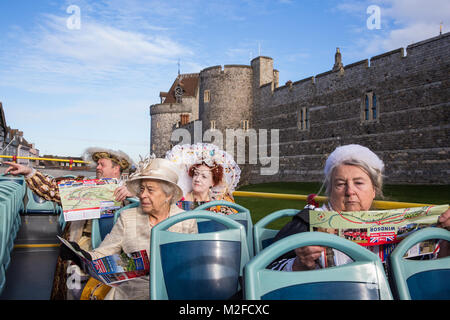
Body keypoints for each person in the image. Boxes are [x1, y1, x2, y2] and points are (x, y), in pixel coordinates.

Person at [269, 144, 450, 271]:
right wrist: (300, 264)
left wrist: (446, 241)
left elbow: (427, 274)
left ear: (374, 190)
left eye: (359, 183)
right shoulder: (306, 223)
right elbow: (262, 273)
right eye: (340, 184)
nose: (350, 191)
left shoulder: (395, 225)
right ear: (330, 191)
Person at [4, 147, 135, 299]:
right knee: (75, 289)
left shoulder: (132, 191)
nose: (97, 167)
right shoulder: (85, 186)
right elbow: (53, 189)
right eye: (97, 164)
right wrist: (29, 172)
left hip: (116, 252)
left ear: (116, 168)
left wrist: (134, 192)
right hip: (83, 243)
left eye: (102, 164)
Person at [62, 156, 198, 300]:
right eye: (141, 189)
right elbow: (105, 252)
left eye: (150, 190)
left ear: (168, 195)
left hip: (175, 287)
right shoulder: (127, 217)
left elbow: (193, 265)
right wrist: (82, 256)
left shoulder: (186, 221)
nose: (142, 195)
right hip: (134, 289)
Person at [165, 143, 241, 214]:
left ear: (213, 182)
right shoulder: (179, 199)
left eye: (204, 176)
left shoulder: (220, 202)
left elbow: (233, 223)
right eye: (196, 174)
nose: (197, 179)